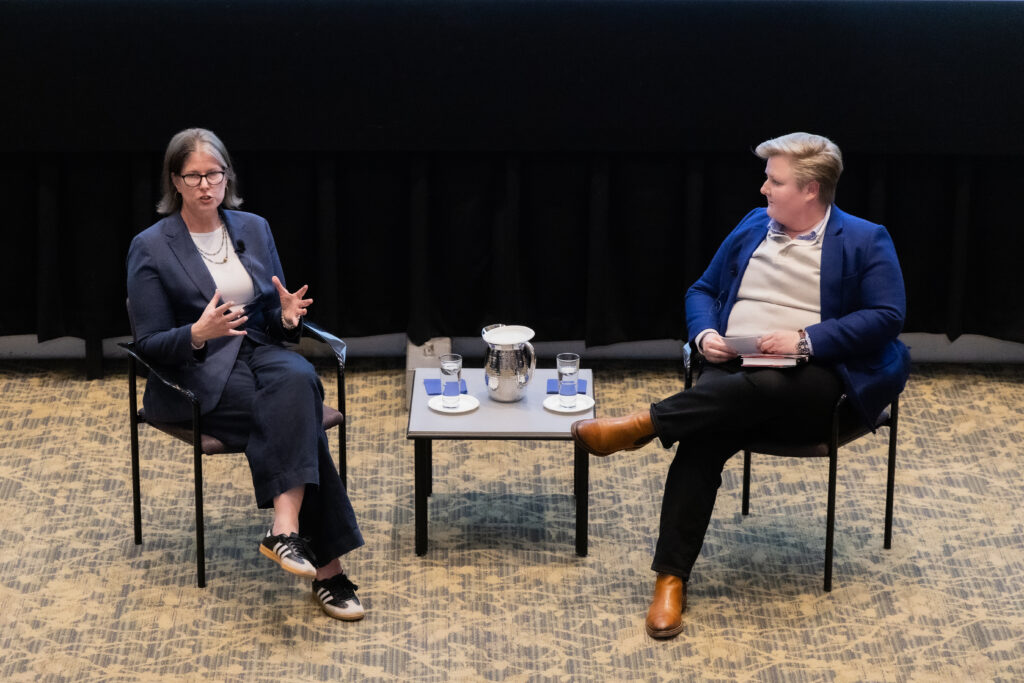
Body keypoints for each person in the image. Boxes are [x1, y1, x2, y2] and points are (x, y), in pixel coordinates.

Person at [571, 132, 910, 639]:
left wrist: (803, 340)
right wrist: (706, 334)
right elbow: (703, 289)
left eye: (775, 181)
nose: (763, 189)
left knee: (767, 387)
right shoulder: (754, 225)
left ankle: (646, 423)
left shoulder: (864, 238)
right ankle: (670, 579)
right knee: (704, 436)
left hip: (814, 383)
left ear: (811, 190)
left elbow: (887, 316)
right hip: (732, 370)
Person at [127, 128, 365, 620]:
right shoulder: (150, 246)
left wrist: (286, 318)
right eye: (193, 176)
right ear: (175, 181)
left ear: (227, 176)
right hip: (197, 370)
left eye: (213, 174)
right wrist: (197, 333)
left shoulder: (253, 228)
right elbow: (148, 344)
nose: (205, 186)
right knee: (297, 418)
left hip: (257, 349)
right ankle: (329, 572)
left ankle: (285, 529)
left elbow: (269, 316)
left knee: (300, 378)